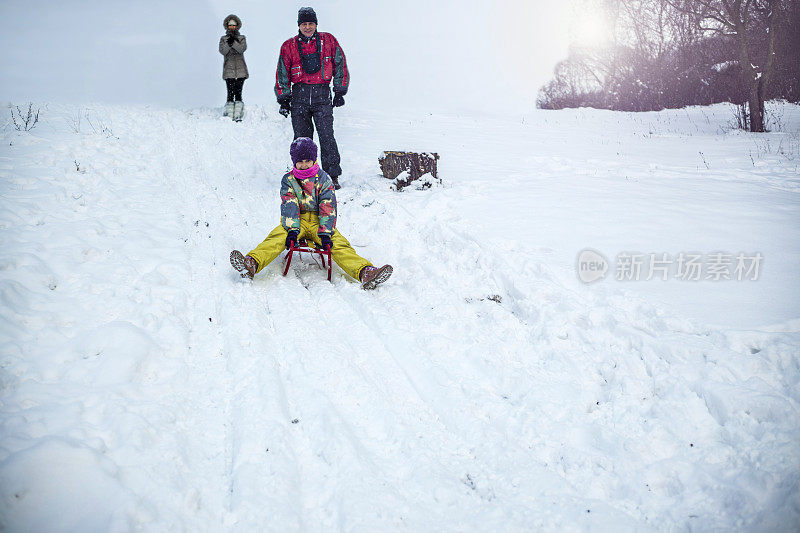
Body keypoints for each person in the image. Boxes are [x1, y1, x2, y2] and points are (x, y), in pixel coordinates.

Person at [230, 137, 392, 289]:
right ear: (294, 162)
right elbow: (290, 204)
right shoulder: (289, 180)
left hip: (319, 222)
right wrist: (292, 231)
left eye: (308, 160)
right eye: (300, 162)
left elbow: (327, 206)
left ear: (314, 160)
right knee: (276, 237)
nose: (304, 165)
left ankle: (364, 272)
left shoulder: (323, 179)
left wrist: (326, 233)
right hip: (295, 221)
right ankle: (252, 263)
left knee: (340, 244)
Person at [274, 7, 349, 189]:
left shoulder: (329, 41)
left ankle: (332, 175)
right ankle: (303, 177)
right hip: (299, 96)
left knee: (326, 136)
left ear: (316, 24)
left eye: (311, 23)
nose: (308, 27)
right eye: (304, 24)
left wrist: (339, 91)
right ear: (299, 25)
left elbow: (340, 64)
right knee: (302, 140)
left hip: (322, 96)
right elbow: (282, 72)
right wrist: (283, 99)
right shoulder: (288, 46)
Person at [219, 15, 248, 121]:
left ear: (237, 26)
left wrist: (234, 42)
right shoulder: (223, 39)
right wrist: (228, 43)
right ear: (227, 26)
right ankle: (230, 113)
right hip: (228, 70)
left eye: (234, 25)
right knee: (230, 93)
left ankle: (238, 113)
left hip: (241, 70)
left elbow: (241, 49)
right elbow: (223, 51)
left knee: (238, 92)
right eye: (230, 25)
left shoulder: (241, 38)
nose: (232, 27)